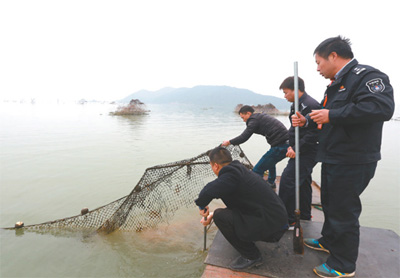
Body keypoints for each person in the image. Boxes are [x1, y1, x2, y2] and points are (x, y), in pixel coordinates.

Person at [292, 36, 394, 278]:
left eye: (318, 62)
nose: (317, 68)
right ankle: (329, 240)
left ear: (333, 56)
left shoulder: (367, 77)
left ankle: (343, 265)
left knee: (343, 210)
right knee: (329, 203)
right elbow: (331, 117)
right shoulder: (336, 84)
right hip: (334, 155)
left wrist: (332, 115)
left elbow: (382, 108)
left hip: (353, 158)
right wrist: (309, 120)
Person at [194, 146, 288, 270]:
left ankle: (252, 256)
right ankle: (250, 236)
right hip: (277, 220)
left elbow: (207, 191)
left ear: (215, 166)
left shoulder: (230, 176)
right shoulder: (239, 170)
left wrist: (202, 206)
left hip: (272, 228)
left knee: (220, 216)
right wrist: (209, 215)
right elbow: (239, 203)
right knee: (218, 214)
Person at [278, 76, 320, 228]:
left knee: (288, 181)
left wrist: (297, 149)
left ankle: (287, 219)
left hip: (308, 150)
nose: (285, 96)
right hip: (299, 148)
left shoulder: (311, 105)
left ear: (296, 90)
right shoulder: (296, 105)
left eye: (286, 92)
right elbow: (293, 128)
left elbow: (314, 134)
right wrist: (291, 146)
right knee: (304, 183)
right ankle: (304, 216)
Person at [221, 105, 289, 188]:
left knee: (257, 170)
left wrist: (229, 142)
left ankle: (259, 192)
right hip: (284, 143)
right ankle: (271, 182)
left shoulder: (253, 120)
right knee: (271, 162)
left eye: (243, 117)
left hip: (281, 146)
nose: (243, 120)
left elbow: (244, 137)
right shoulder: (259, 116)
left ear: (248, 113)